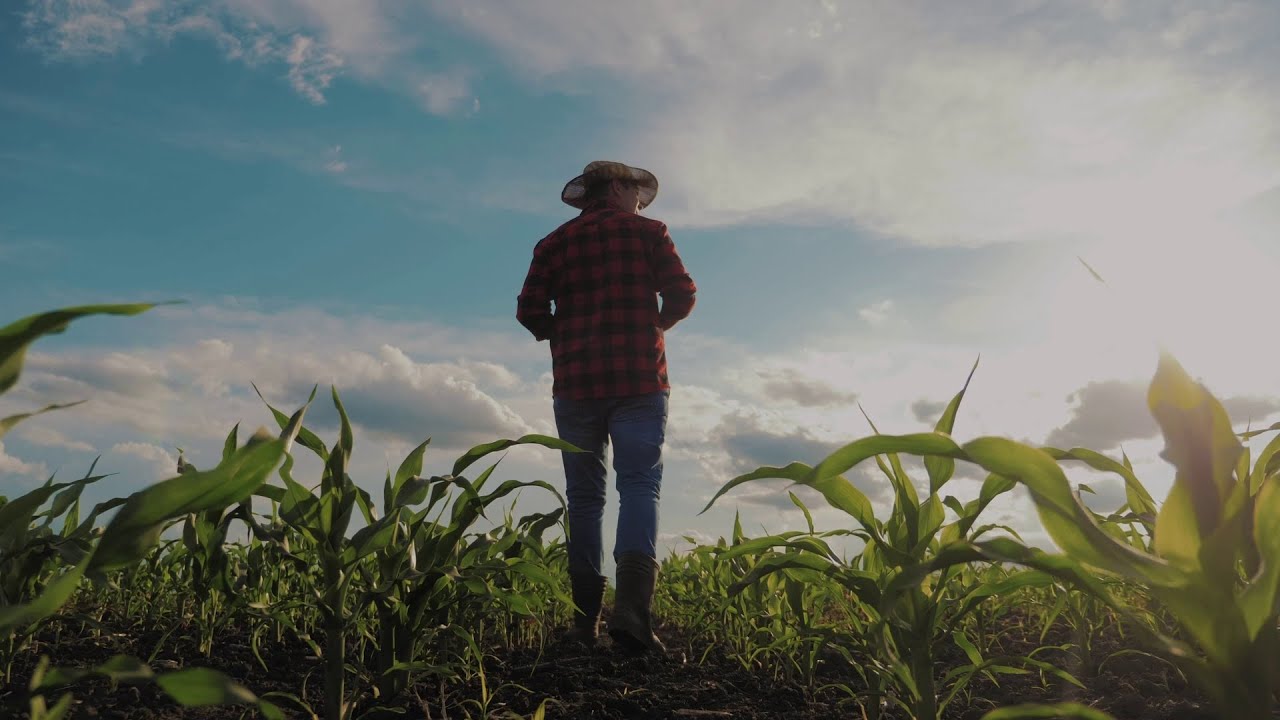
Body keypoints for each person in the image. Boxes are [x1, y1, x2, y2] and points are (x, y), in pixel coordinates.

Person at [516, 160, 697, 654]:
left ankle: (583, 624)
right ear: (618, 187)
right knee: (639, 484)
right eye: (637, 193)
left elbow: (529, 310)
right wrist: (652, 325)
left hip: (575, 385)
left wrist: (567, 336)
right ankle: (633, 617)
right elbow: (683, 292)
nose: (641, 202)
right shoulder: (649, 233)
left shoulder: (553, 244)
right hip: (639, 379)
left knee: (584, 498)